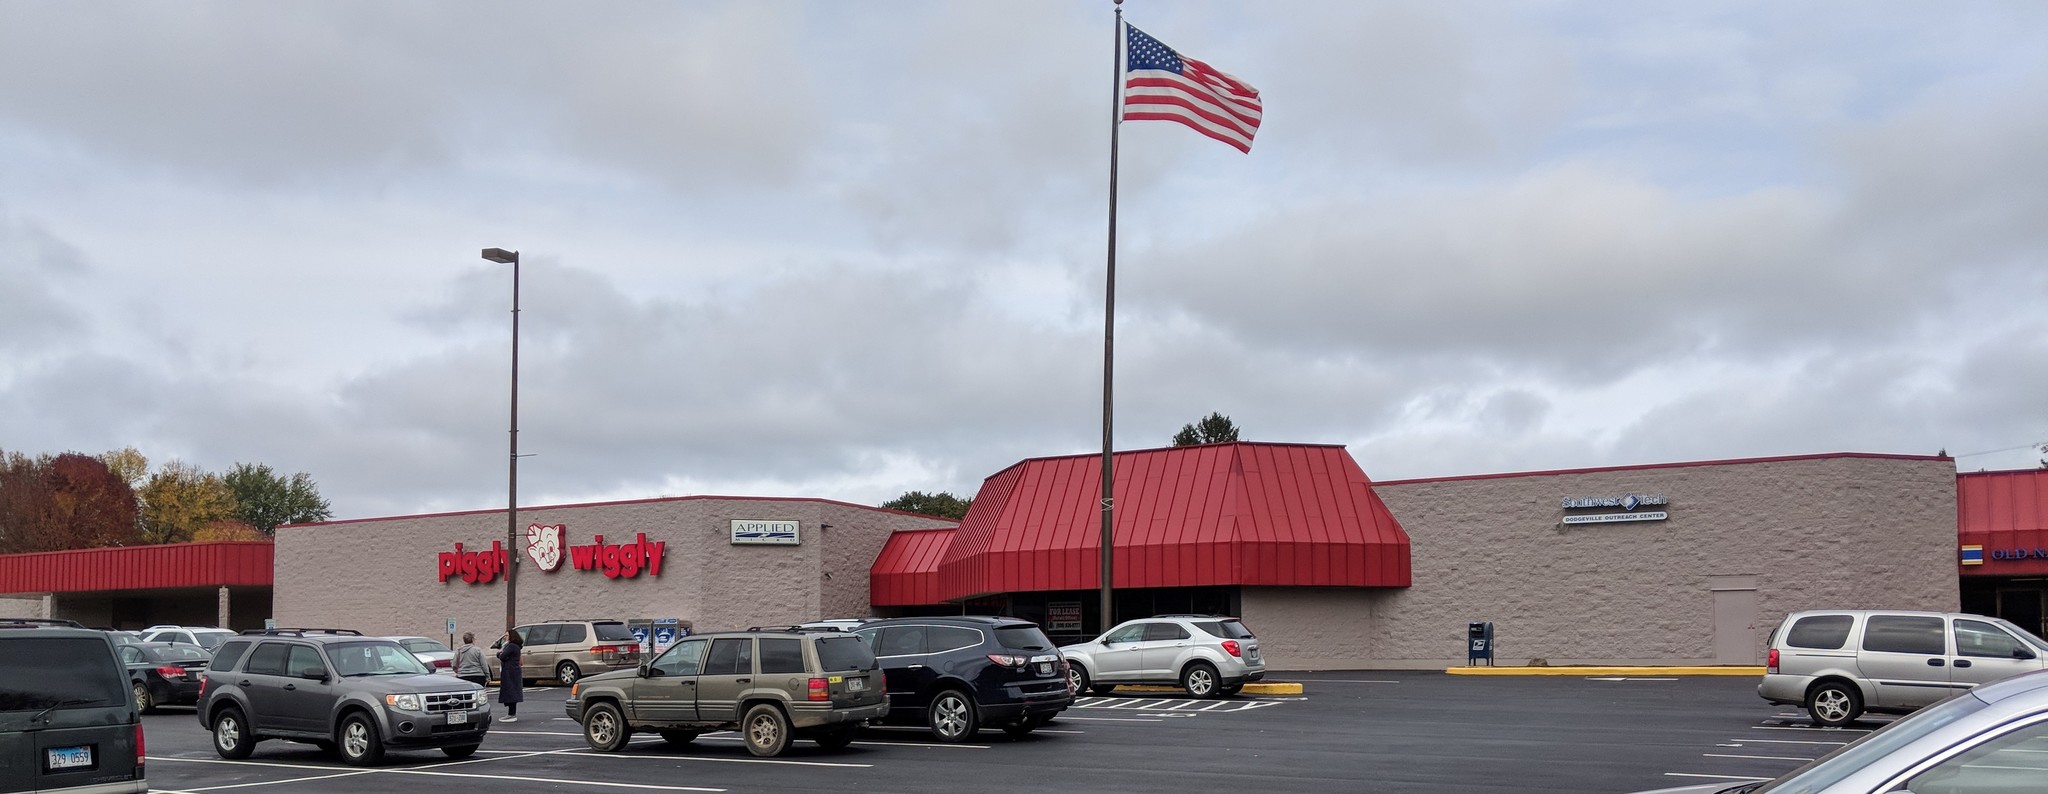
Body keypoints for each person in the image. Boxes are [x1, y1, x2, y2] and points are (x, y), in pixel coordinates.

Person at [496, 629, 525, 722]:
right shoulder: (515, 646)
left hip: (510, 672)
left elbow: (502, 656)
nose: (505, 637)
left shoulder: (511, 646)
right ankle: (511, 713)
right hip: (513, 671)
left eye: (506, 635)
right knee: (511, 692)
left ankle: (511, 714)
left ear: (512, 636)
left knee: (511, 692)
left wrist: (499, 653)